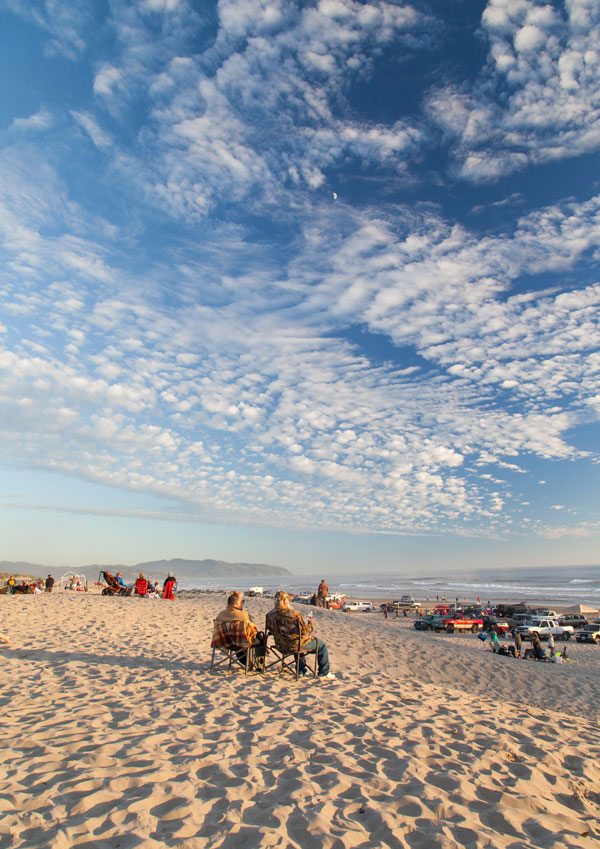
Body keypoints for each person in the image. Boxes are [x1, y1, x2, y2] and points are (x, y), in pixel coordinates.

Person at [266, 591, 334, 678]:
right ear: (286, 601)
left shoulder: (270, 615)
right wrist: (310, 624)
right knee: (321, 644)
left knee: (296, 639)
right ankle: (324, 673)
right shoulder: (294, 615)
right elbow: (304, 631)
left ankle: (301, 670)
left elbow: (270, 630)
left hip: (280, 645)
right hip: (294, 645)